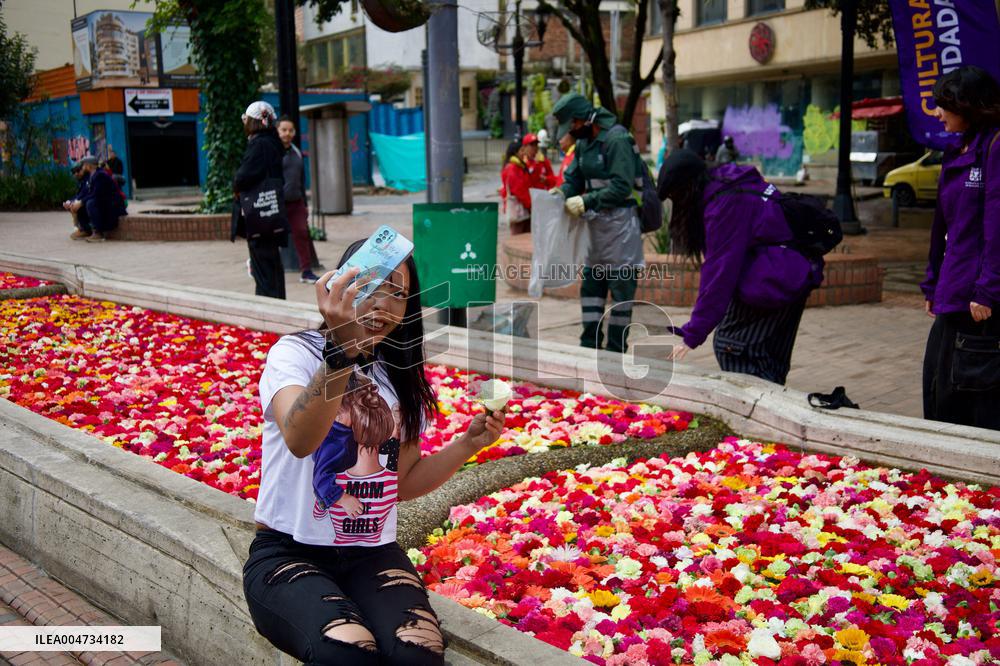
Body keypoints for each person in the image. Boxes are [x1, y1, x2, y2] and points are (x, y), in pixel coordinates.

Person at [243, 240, 507, 664]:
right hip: (287, 552)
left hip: (371, 554)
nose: (383, 304)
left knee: (416, 654)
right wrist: (342, 352)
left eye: (399, 294)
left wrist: (468, 444)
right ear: (340, 287)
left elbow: (402, 482)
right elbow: (299, 439)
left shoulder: (398, 376)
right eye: (370, 286)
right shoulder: (295, 354)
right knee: (346, 652)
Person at [657, 149, 824, 384]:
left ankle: (756, 410)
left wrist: (693, 333)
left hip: (778, 278)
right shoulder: (726, 183)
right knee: (767, 359)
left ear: (688, 189)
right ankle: (769, 409)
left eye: (676, 197)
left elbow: (720, 273)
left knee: (732, 344)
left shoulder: (725, 205)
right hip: (792, 271)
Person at [921, 65, 1000, 430]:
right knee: (937, 393)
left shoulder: (996, 146)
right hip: (952, 293)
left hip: (978, 302)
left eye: (944, 105)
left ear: (968, 106)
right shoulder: (955, 149)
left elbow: (996, 226)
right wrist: (931, 281)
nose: (938, 113)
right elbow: (942, 224)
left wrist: (988, 290)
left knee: (969, 406)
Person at [551, 92, 644, 354]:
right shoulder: (584, 144)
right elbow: (574, 179)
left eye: (571, 126)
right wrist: (562, 193)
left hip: (622, 230)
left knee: (621, 295)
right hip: (596, 230)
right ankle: (588, 348)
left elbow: (622, 186)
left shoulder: (617, 139)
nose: (570, 132)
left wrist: (586, 201)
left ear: (582, 120)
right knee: (591, 290)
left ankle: (616, 351)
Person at [232, 101, 288, 299]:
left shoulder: (259, 143)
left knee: (262, 264)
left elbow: (243, 177)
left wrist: (236, 185)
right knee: (270, 262)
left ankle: (268, 305)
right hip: (270, 213)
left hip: (258, 215)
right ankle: (275, 301)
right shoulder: (273, 142)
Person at [277, 116, 320, 284]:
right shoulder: (273, 152)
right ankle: (257, 263)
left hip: (297, 203)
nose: (287, 133)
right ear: (277, 131)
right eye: (284, 130)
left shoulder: (297, 152)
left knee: (302, 233)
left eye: (291, 130)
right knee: (271, 238)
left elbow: (301, 180)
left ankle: (306, 271)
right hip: (277, 205)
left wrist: (305, 203)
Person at [76, 155, 126, 243]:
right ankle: (86, 230)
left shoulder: (100, 175)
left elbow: (96, 194)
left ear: (89, 165)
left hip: (113, 205)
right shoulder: (92, 175)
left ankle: (98, 233)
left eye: (84, 165)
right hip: (104, 203)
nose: (83, 167)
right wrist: (77, 202)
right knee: (83, 203)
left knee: (90, 203)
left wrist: (82, 202)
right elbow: (87, 193)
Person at [499, 140, 533, 235]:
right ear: (515, 153)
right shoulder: (513, 168)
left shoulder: (519, 166)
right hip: (519, 210)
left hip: (523, 210)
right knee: (518, 239)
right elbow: (519, 190)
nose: (524, 153)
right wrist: (531, 204)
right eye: (522, 151)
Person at [65, 162, 92, 240]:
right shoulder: (82, 181)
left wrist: (80, 202)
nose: (76, 174)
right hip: (88, 200)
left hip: (96, 202)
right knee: (73, 205)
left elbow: (89, 194)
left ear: (83, 170)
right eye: (74, 172)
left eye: (78, 171)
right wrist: (70, 202)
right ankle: (81, 227)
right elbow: (79, 195)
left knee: (79, 205)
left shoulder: (88, 179)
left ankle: (86, 229)